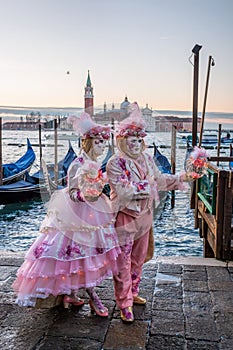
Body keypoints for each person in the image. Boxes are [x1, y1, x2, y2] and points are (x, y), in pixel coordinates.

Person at [12, 112, 120, 317]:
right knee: (76, 254)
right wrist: (86, 194)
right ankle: (92, 296)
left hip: (93, 213)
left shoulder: (94, 164)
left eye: (104, 143)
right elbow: (72, 191)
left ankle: (70, 294)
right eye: (98, 142)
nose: (102, 147)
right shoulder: (77, 164)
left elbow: (95, 186)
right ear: (87, 142)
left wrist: (99, 188)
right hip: (76, 215)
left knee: (84, 255)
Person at [106, 102, 189, 323]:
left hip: (145, 217)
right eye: (132, 140)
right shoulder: (114, 163)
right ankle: (124, 303)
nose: (136, 144)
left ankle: (133, 292)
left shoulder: (147, 159)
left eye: (139, 140)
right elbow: (123, 191)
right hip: (125, 216)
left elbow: (160, 180)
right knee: (122, 261)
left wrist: (182, 177)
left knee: (138, 258)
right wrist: (148, 186)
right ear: (122, 141)